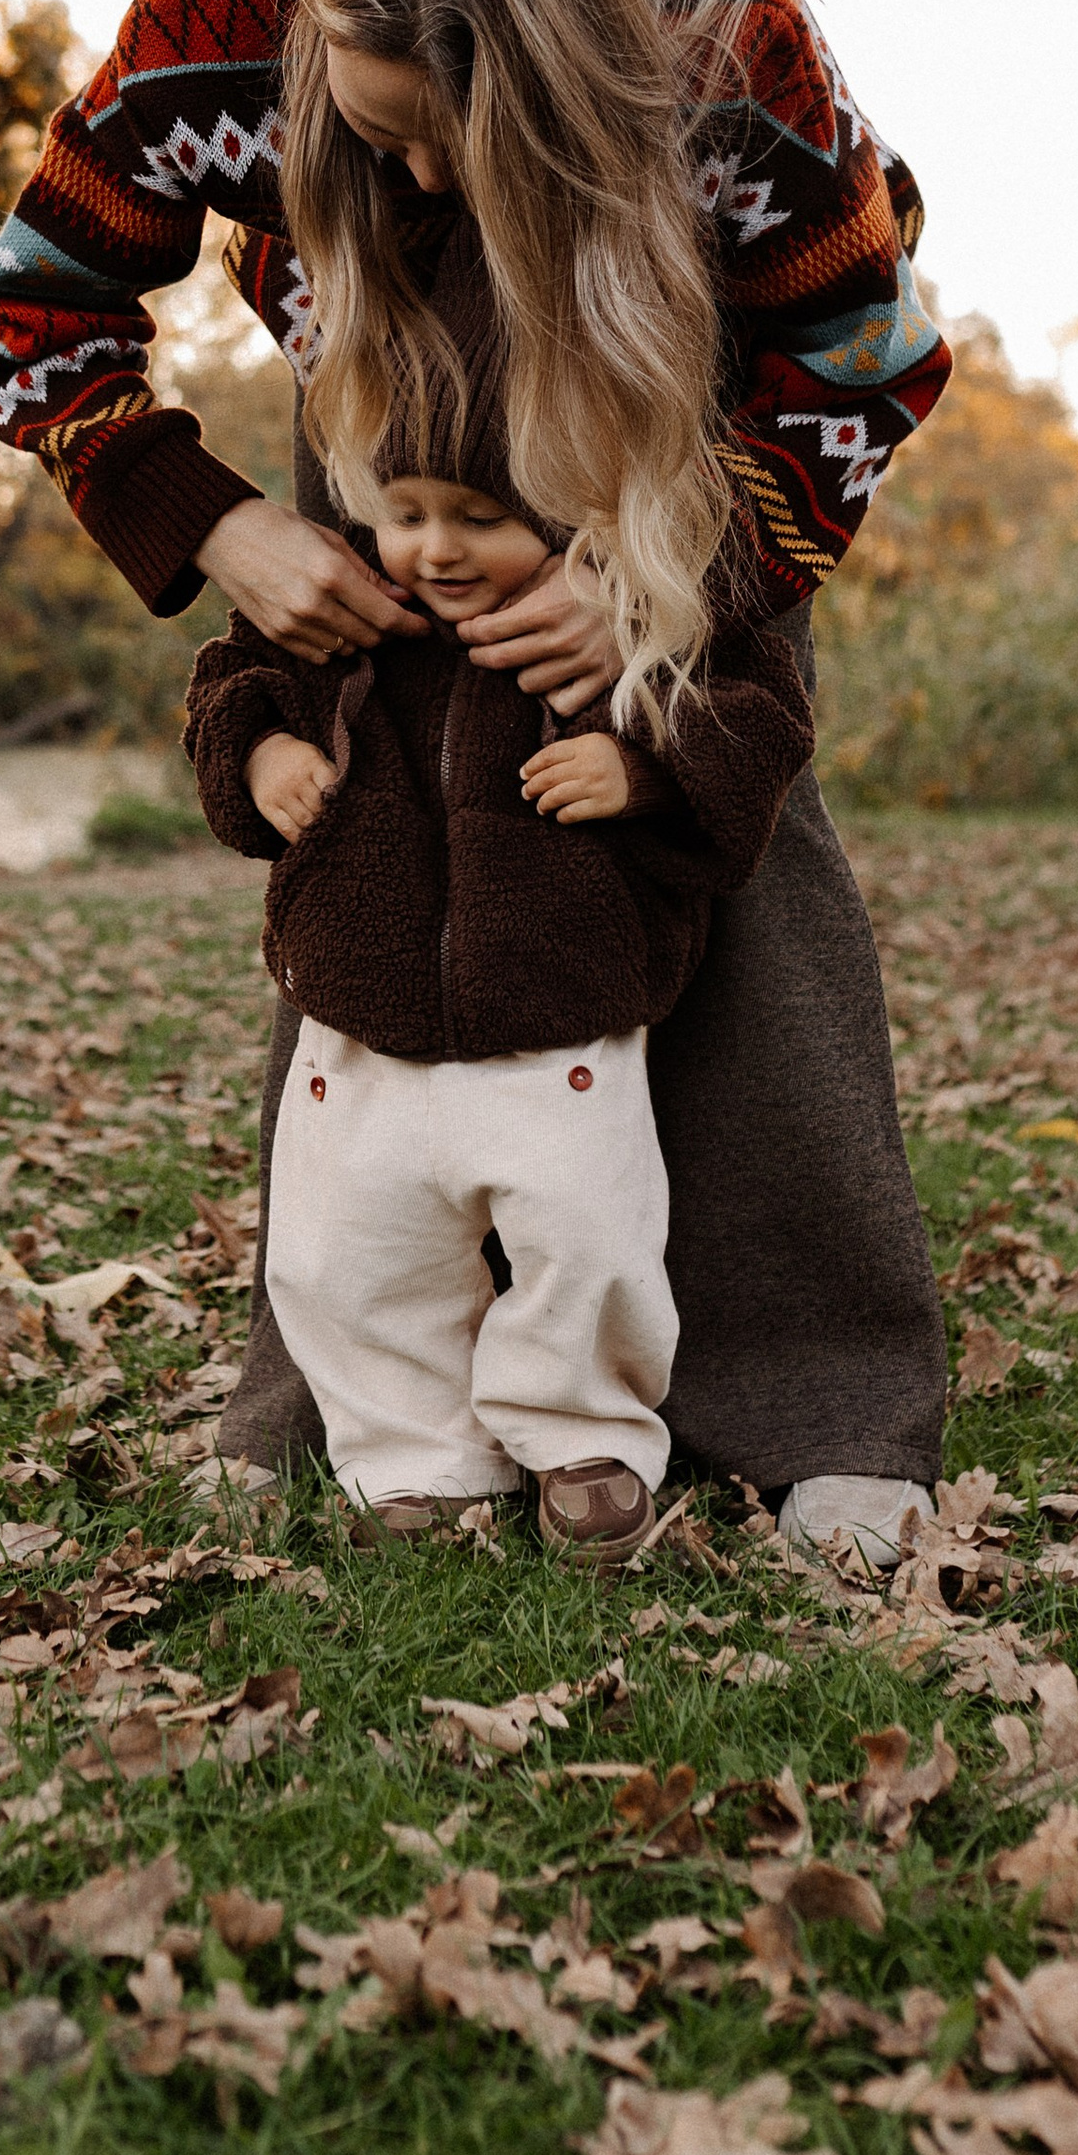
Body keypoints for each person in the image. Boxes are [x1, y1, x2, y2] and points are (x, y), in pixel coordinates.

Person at [0, 0, 951, 1571]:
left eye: (455, 143)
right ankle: (342, 1401)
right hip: (370, 359)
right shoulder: (217, 21)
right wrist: (219, 527)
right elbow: (35, 307)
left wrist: (670, 582)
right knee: (370, 814)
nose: (424, 174)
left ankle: (822, 1405)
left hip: (663, 368)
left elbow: (870, 359)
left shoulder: (723, 53)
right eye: (381, 131)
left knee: (717, 810)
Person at [182, 214, 816, 1566]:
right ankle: (414, 1460)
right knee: (347, 1256)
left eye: (482, 518)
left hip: (561, 1014)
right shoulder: (343, 603)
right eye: (407, 513)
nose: (436, 549)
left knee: (589, 1240)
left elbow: (757, 722)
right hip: (359, 1015)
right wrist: (266, 756)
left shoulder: (619, 613)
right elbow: (229, 688)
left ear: (565, 508)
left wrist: (641, 771)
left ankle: (586, 1439)